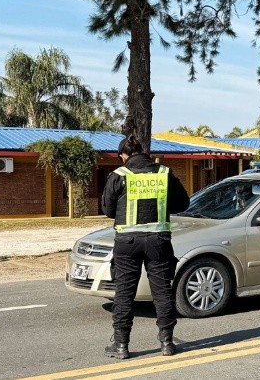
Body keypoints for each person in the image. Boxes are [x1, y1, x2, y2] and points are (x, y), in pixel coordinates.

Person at [102, 135, 190, 360]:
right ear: (144, 152)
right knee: (161, 292)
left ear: (124, 155)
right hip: (158, 241)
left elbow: (108, 210)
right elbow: (183, 203)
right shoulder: (164, 173)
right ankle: (167, 343)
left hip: (127, 243)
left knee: (124, 293)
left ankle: (121, 345)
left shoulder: (119, 175)